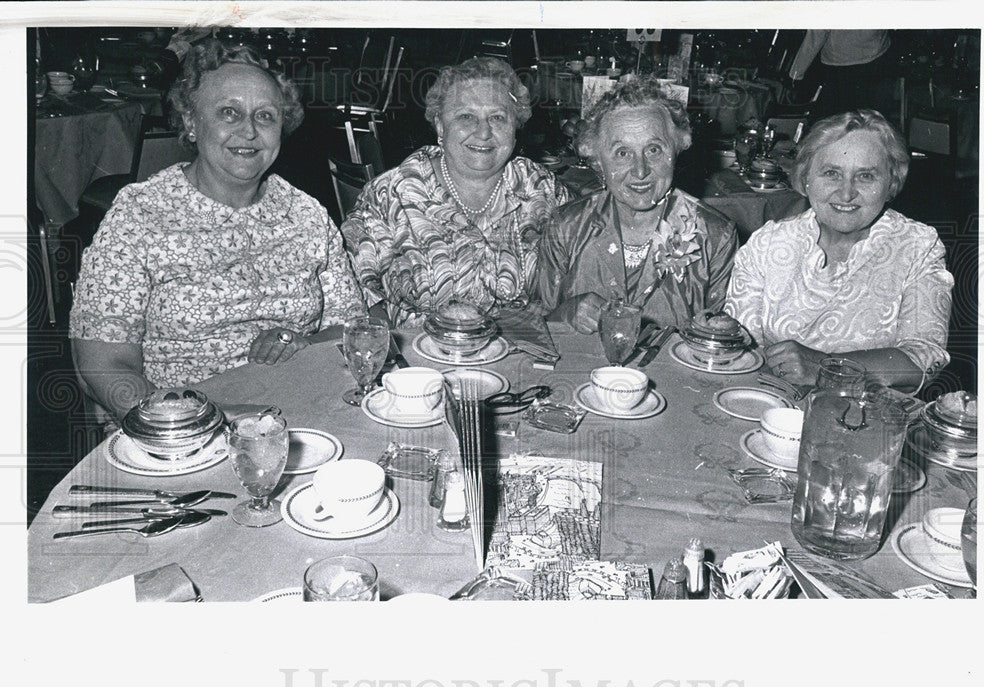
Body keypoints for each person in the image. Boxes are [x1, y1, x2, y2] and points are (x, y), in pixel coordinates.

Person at [69, 40, 364, 420]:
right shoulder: (141, 216)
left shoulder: (306, 215)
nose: (249, 132)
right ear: (191, 123)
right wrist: (195, 421)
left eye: (266, 116)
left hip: (300, 415)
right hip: (180, 429)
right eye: (229, 113)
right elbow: (103, 365)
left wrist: (300, 342)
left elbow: (352, 329)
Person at [725, 110, 954, 392]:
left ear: (891, 183)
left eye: (866, 176)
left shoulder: (917, 245)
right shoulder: (768, 243)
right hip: (769, 403)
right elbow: (736, 348)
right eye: (831, 173)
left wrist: (827, 366)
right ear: (806, 177)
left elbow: (925, 357)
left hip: (867, 418)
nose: (846, 194)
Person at [341, 56, 571, 326]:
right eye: (466, 117)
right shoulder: (393, 194)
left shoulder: (542, 189)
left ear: (516, 126)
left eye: (498, 117)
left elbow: (579, 270)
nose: (483, 132)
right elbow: (353, 298)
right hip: (422, 357)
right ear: (440, 125)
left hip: (520, 354)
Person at [536, 76, 738, 333]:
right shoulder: (566, 227)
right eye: (622, 153)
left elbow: (725, 341)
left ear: (678, 148)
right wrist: (562, 314)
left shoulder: (715, 236)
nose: (640, 170)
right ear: (597, 159)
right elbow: (536, 327)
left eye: (653, 150)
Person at [788, 30, 895, 120]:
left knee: (838, 119)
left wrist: (795, 74)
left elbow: (816, 35)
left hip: (840, 63)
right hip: (876, 55)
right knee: (871, 118)